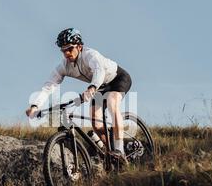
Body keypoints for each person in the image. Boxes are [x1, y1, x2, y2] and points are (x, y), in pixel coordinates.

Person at [25, 28, 132, 162]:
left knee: (112, 102)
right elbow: (49, 86)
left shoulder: (90, 55)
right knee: (96, 122)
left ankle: (119, 150)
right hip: (100, 86)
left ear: (79, 46)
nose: (67, 53)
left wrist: (92, 87)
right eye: (63, 50)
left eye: (70, 49)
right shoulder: (64, 66)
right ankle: (113, 155)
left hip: (117, 78)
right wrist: (35, 106)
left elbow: (99, 71)